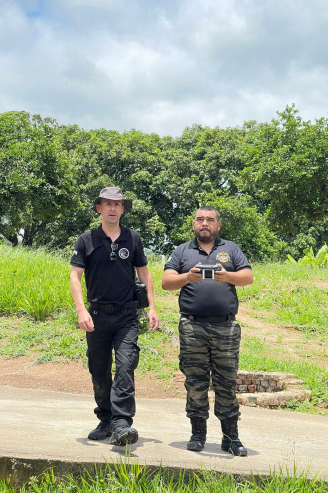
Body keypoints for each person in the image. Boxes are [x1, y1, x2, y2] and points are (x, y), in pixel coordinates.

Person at [70, 186, 160, 446]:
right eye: (107, 204)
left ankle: (122, 423)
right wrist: (81, 310)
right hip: (96, 316)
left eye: (116, 204)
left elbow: (144, 273)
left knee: (125, 365)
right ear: (99, 208)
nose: (112, 208)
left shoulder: (133, 238)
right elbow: (75, 276)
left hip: (126, 316)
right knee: (98, 369)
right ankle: (105, 419)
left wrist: (152, 307)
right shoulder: (86, 240)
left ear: (122, 209)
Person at [161, 206, 254, 456]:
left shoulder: (231, 249)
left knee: (226, 382)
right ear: (194, 224)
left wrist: (228, 277)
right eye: (200, 219)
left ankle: (230, 437)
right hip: (192, 326)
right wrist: (188, 277)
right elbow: (166, 282)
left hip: (225, 326)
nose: (205, 223)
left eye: (210, 220)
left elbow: (248, 277)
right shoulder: (183, 251)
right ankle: (197, 433)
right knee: (195, 382)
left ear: (218, 225)